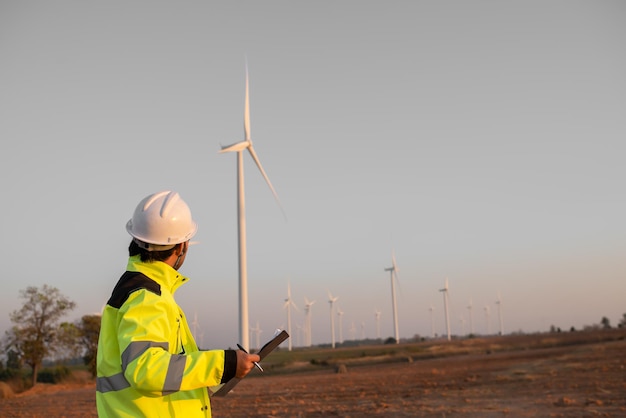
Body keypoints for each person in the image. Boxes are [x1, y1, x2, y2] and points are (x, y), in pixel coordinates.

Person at [96, 190, 260, 417]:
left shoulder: (141, 291)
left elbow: (168, 371)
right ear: (182, 246)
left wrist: (224, 372)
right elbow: (147, 371)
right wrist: (222, 364)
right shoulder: (146, 298)